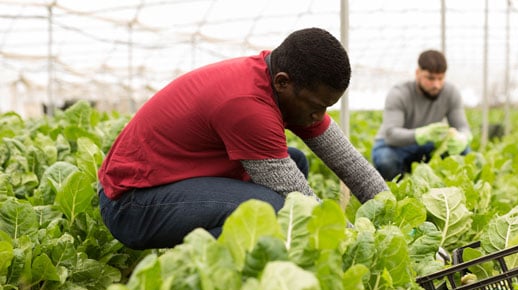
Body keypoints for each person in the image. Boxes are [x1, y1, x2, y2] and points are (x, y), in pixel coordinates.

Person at [97, 27, 389, 250]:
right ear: (283, 82)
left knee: (295, 161)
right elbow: (298, 198)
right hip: (131, 205)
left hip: (166, 188)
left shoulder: (280, 84)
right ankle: (201, 272)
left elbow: (349, 162)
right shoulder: (246, 105)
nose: (320, 115)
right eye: (317, 107)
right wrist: (358, 242)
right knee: (270, 208)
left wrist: (392, 213)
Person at [371, 49, 472, 181]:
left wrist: (462, 138)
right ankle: (395, 191)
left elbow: (463, 128)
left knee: (464, 151)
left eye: (440, 78)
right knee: (386, 160)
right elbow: (391, 135)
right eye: (430, 78)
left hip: (429, 145)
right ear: (417, 73)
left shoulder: (451, 92)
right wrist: (420, 134)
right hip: (395, 146)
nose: (436, 84)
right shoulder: (399, 93)